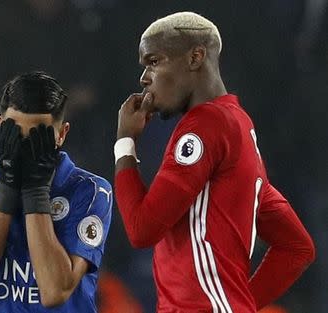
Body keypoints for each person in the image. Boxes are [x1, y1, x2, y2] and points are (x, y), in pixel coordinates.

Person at [114, 11, 315, 313]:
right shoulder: (239, 126)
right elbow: (297, 247)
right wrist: (239, 305)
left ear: (195, 57)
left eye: (154, 62)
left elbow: (142, 230)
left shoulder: (204, 126)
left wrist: (124, 143)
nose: (144, 78)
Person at [0, 71, 113, 312]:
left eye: (38, 136)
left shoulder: (91, 191)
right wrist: (7, 189)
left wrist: (35, 191)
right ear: (0, 127)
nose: (26, 146)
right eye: (14, 133)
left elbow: (54, 291)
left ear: (62, 134)